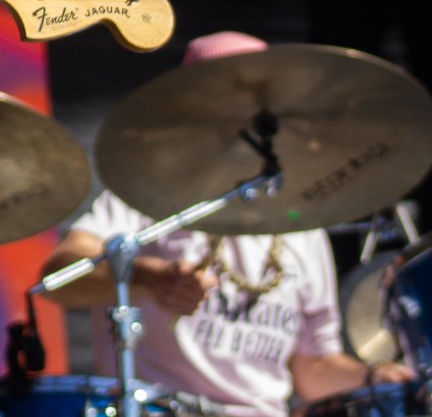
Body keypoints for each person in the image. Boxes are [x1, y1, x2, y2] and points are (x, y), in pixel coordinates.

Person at [39, 32, 415, 417]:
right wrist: (149, 277)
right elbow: (61, 273)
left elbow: (313, 368)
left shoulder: (303, 227)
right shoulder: (146, 196)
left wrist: (375, 379)